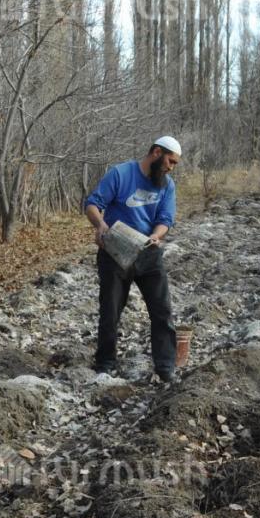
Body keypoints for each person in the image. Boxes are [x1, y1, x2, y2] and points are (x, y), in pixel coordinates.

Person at [84, 135, 181, 382]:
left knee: (162, 310)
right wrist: (101, 226)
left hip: (148, 251)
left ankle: (165, 367)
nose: (171, 167)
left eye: (175, 164)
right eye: (170, 161)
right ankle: (105, 363)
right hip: (115, 250)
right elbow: (93, 204)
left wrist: (156, 236)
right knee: (110, 310)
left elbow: (165, 219)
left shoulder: (167, 185)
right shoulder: (121, 174)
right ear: (157, 153)